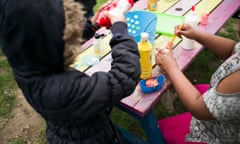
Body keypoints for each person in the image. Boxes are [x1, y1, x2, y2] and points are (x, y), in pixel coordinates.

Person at [0, 0, 140, 143]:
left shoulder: (28, 62)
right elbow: (123, 78)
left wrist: (93, 24)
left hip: (65, 129)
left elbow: (61, 39)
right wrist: (120, 30)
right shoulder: (64, 90)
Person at [155, 23, 240, 143]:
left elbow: (199, 108)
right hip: (217, 105)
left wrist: (171, 67)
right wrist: (197, 35)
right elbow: (233, 49)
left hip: (215, 135)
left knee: (162, 129)